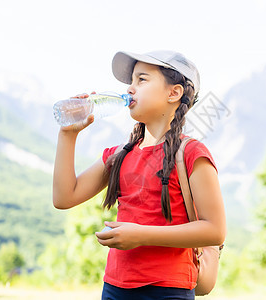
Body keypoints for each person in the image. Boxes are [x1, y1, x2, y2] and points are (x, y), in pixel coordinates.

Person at [52, 50, 226, 300]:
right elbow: (63, 197)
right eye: (130, 82)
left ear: (174, 93)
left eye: (141, 80)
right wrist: (67, 135)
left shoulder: (191, 154)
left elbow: (215, 230)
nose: (131, 89)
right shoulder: (118, 156)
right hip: (114, 287)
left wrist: (141, 235)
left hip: (169, 289)